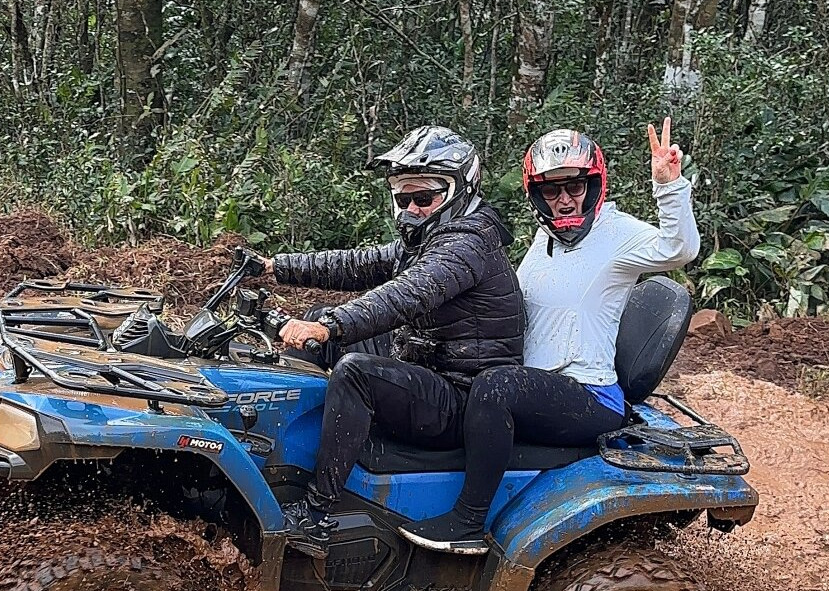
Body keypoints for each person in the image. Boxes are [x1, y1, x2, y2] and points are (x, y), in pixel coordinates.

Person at [399, 118, 701, 554]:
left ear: (595, 186)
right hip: (542, 387)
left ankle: (467, 522)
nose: (563, 200)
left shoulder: (616, 235)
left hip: (589, 394)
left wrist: (669, 187)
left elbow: (680, 250)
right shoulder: (542, 243)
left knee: (494, 385)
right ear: (537, 195)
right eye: (551, 190)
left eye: (574, 187)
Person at [264, 125, 526, 558]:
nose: (412, 209)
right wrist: (276, 266)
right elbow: (360, 264)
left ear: (461, 190)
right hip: (430, 365)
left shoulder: (467, 243)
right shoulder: (430, 237)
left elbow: (406, 295)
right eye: (403, 199)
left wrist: (333, 324)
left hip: (461, 395)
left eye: (424, 198)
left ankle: (316, 514)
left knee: (355, 372)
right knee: (316, 329)